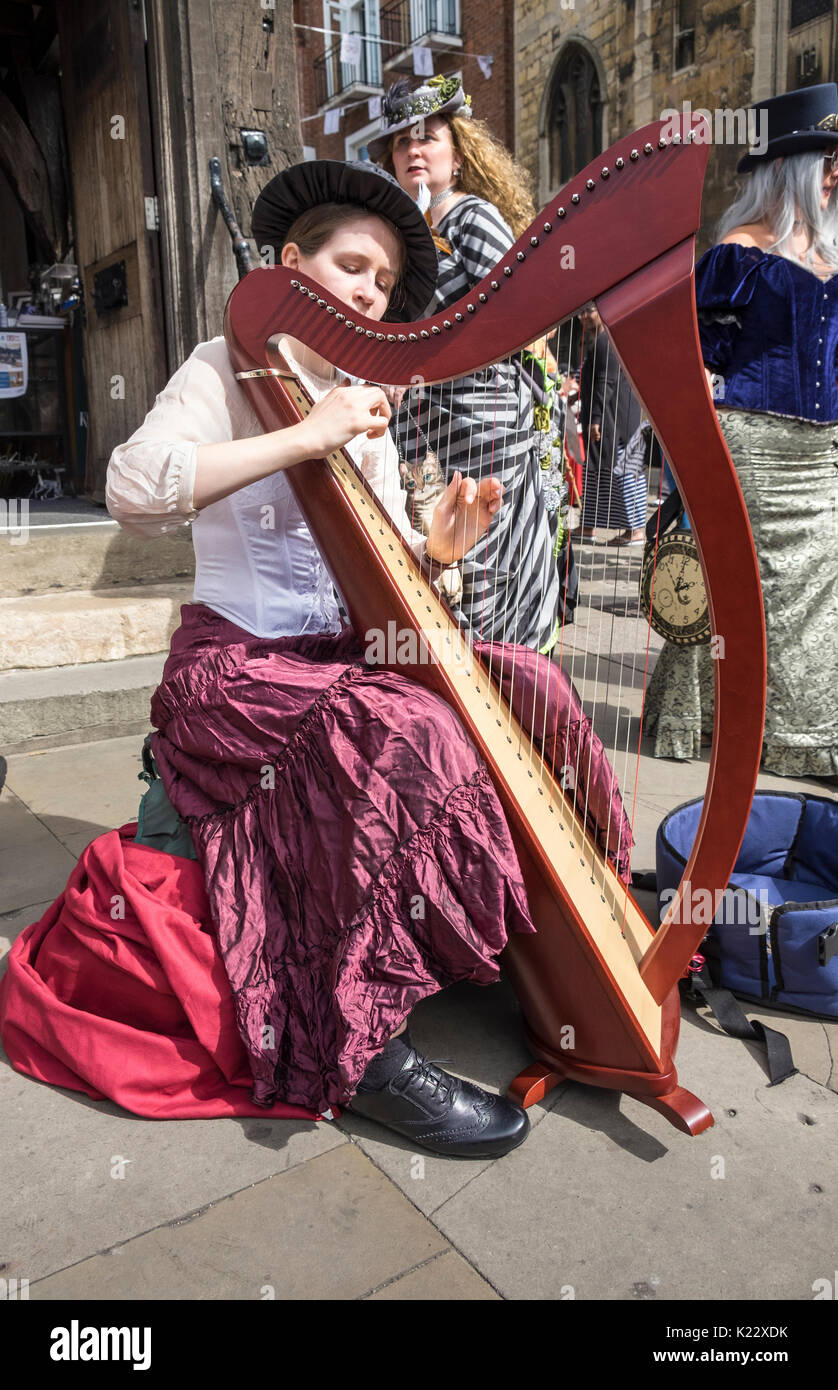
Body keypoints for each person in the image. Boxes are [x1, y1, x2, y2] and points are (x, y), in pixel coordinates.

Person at [0, 159, 633, 1158]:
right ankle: (367, 1050)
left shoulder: (360, 399)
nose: (368, 294)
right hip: (234, 669)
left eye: (382, 284)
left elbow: (367, 561)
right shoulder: (221, 366)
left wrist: (436, 551)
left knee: (529, 679)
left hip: (332, 650)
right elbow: (135, 489)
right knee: (411, 729)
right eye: (350, 266)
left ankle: (562, 927)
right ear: (289, 266)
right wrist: (303, 434)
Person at [644, 83, 838, 778]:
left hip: (823, 460)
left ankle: (804, 739)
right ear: (791, 169)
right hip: (749, 448)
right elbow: (693, 357)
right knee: (726, 588)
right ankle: (702, 723)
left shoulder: (836, 257)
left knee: (817, 607)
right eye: (828, 156)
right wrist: (696, 452)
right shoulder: (737, 254)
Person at [369, 74, 577, 652]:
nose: (414, 148)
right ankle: (466, 683)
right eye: (402, 141)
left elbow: (523, 316)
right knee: (447, 558)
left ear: (455, 156)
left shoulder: (471, 218)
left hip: (487, 428)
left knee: (485, 559)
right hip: (429, 431)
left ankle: (502, 681)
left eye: (428, 137)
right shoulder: (402, 237)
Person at [577, 304, 647, 546]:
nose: (582, 317)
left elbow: (604, 383)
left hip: (615, 423)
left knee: (625, 474)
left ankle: (636, 530)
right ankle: (588, 527)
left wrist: (595, 418)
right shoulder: (603, 341)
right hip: (611, 420)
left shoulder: (607, 342)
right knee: (597, 475)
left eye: (588, 312)